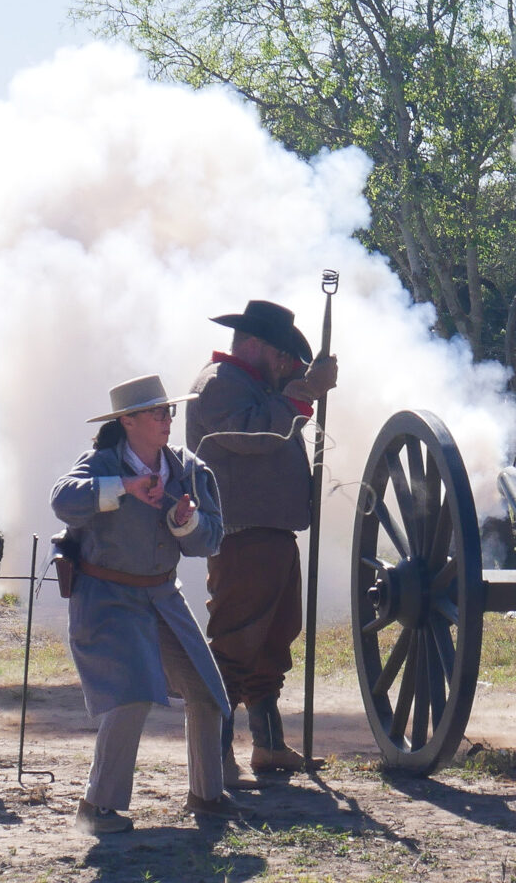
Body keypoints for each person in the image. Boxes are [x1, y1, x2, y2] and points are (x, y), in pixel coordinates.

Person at [50, 374, 253, 835]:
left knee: (206, 689)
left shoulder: (187, 468)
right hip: (106, 597)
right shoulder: (100, 463)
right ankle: (97, 807)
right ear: (128, 420)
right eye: (157, 413)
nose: (167, 421)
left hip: (162, 593)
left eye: (169, 412)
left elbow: (212, 538)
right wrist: (123, 486)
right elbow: (62, 500)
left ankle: (206, 793)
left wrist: (185, 520)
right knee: (130, 695)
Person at [187, 300, 338, 787]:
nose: (286, 366)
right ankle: (214, 755)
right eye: (281, 356)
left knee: (272, 642)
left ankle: (268, 745)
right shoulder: (218, 383)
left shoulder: (250, 384)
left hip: (270, 532)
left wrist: (296, 389)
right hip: (242, 533)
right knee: (235, 644)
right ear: (253, 345)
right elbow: (253, 434)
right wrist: (301, 393)